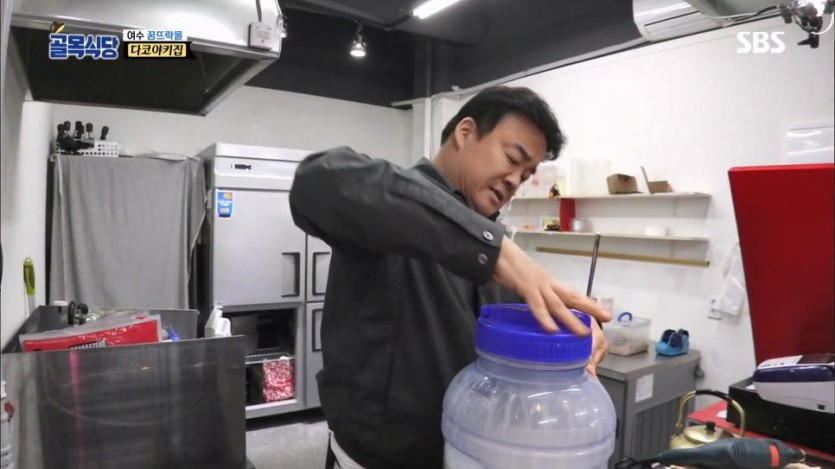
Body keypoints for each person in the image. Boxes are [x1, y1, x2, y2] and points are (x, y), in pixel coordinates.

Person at [289, 85, 612, 469]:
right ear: (465, 132)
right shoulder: (392, 212)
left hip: (465, 451)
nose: (515, 180)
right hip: (378, 458)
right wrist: (491, 246)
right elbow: (317, 180)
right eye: (513, 158)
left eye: (526, 175)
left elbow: (518, 319)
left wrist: (574, 326)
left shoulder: (496, 244)